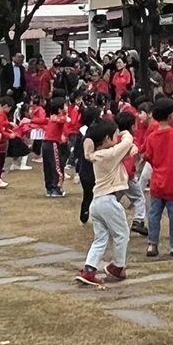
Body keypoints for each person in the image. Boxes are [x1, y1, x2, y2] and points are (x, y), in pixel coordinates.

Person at [76, 119, 136, 286]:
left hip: (97, 202)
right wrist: (125, 134)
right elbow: (126, 143)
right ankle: (117, 266)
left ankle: (89, 269)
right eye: (114, 135)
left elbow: (125, 148)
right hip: (108, 200)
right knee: (122, 233)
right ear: (107, 139)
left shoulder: (98, 155)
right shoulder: (108, 155)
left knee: (100, 238)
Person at [142, 97, 173, 258]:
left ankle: (152, 244)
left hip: (157, 180)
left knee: (154, 214)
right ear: (172, 115)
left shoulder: (152, 136)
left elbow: (148, 156)